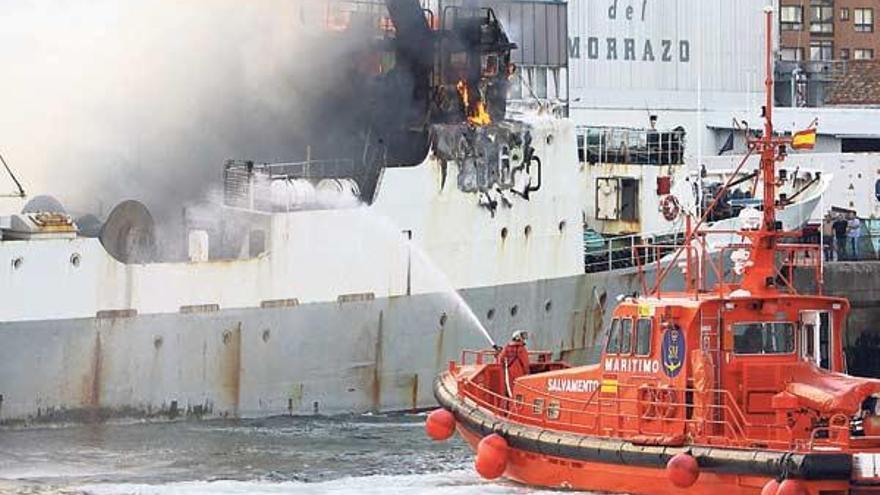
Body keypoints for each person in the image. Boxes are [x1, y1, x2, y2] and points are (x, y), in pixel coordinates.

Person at [499, 330, 530, 397]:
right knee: (520, 388)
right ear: (518, 337)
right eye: (522, 336)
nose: (524, 339)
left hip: (509, 371)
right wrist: (527, 374)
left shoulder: (507, 347)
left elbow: (501, 358)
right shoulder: (521, 348)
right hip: (519, 372)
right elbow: (525, 363)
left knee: (510, 388)